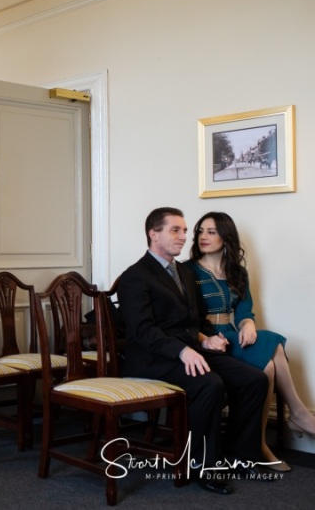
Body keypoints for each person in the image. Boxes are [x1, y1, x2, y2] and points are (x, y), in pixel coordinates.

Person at [117, 207, 268, 495]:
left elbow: (194, 320)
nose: (185, 237)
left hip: (188, 348)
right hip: (151, 358)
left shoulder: (182, 273)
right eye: (176, 230)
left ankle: (239, 456)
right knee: (209, 384)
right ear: (153, 234)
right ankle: (202, 465)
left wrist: (207, 339)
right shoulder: (135, 277)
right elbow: (143, 331)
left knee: (254, 380)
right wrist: (183, 352)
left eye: (185, 230)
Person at [185, 211, 315, 472]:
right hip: (206, 338)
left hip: (232, 336)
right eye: (200, 231)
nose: (203, 237)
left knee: (268, 352)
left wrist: (249, 325)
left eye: (211, 232)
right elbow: (187, 316)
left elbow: (245, 311)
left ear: (226, 237)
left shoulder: (237, 272)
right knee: (268, 361)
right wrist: (206, 338)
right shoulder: (188, 270)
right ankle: (295, 418)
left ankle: (261, 441)